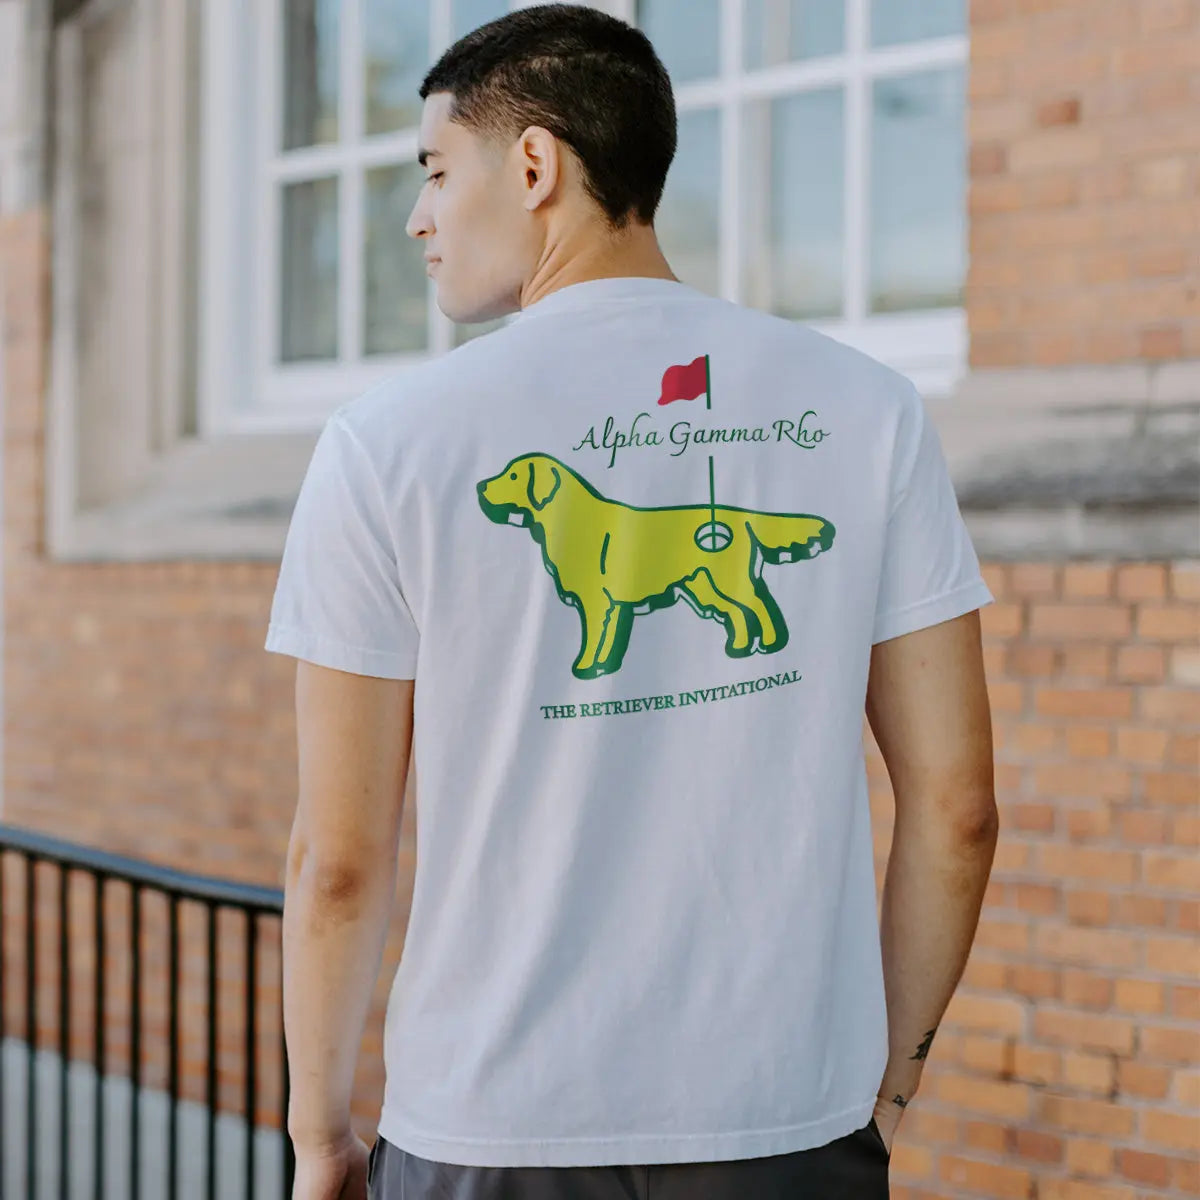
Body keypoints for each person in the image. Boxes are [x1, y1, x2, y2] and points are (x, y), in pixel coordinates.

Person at [263, 5, 999, 1198]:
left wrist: (318, 1135)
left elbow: (339, 862)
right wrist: (884, 1095)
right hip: (786, 1122)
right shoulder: (869, 411)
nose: (418, 218)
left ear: (535, 166)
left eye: (437, 171)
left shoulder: (384, 445)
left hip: (489, 1125)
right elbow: (958, 811)